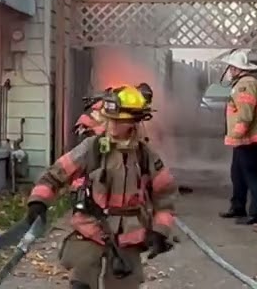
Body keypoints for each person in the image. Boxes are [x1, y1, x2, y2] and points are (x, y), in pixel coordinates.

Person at [27, 85, 178, 288]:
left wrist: (160, 230)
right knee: (81, 281)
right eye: (110, 119)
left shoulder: (145, 156)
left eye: (119, 121)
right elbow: (55, 175)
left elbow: (165, 197)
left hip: (129, 236)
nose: (113, 126)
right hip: (90, 228)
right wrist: (38, 201)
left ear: (133, 121)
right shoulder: (91, 148)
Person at [218, 50, 257, 225]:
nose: (229, 71)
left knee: (252, 176)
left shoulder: (245, 85)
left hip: (250, 140)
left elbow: (245, 114)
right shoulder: (247, 82)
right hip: (245, 140)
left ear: (236, 68)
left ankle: (256, 214)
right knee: (238, 174)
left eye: (231, 67)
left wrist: (236, 134)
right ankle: (238, 207)